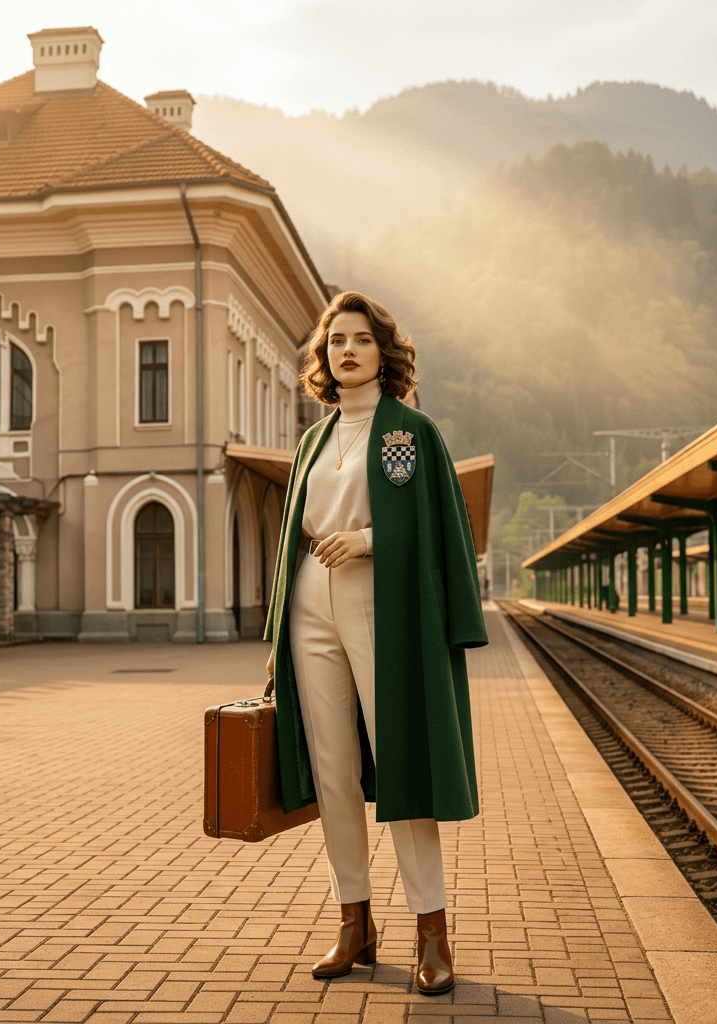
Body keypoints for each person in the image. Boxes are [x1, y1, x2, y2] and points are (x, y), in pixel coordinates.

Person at [261, 291, 486, 995]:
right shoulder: (312, 440)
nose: (346, 351)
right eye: (335, 343)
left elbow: (438, 529)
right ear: (324, 361)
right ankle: (353, 922)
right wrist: (274, 638)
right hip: (310, 607)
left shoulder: (409, 433)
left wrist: (367, 539)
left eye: (360, 339)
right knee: (333, 772)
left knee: (401, 764)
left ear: (383, 352)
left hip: (379, 601)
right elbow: (291, 538)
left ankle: (432, 932)